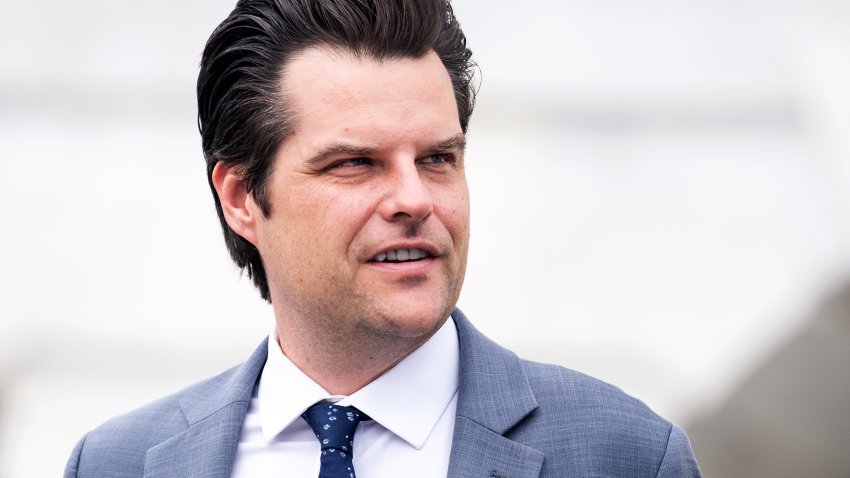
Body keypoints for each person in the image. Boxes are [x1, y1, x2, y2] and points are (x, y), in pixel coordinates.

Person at [64, 0, 702, 477]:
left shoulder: (627, 456)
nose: (414, 200)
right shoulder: (115, 462)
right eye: (356, 163)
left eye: (437, 159)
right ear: (241, 198)